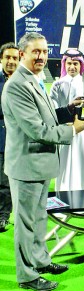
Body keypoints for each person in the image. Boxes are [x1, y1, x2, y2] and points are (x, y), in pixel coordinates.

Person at [1, 32, 84, 291]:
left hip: (39, 163)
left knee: (39, 219)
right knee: (26, 223)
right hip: (26, 165)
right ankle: (27, 275)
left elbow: (47, 116)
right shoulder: (17, 84)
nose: (41, 56)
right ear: (22, 54)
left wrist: (68, 110)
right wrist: (73, 129)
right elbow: (37, 130)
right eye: (35, 52)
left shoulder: (33, 79)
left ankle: (40, 261)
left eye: (43, 51)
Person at [50, 49, 84, 191]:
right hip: (65, 131)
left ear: (81, 65)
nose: (72, 67)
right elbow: (53, 108)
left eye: (75, 63)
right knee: (64, 166)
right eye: (69, 63)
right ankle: (64, 202)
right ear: (64, 64)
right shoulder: (57, 85)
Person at [0, 42, 19, 231]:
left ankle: (4, 215)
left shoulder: (23, 81)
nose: (11, 61)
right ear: (1, 59)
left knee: (6, 182)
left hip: (16, 141)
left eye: (14, 58)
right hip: (1, 138)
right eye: (8, 57)